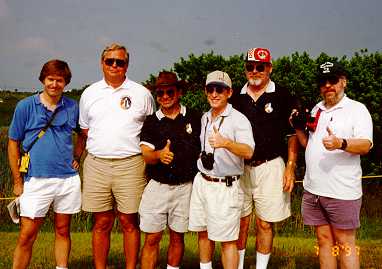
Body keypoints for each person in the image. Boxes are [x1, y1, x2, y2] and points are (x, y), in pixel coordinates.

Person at [76, 43, 155, 269]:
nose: (114, 65)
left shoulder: (142, 93)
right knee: (101, 222)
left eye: (119, 62)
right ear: (102, 63)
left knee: (129, 220)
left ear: (127, 65)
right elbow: (85, 129)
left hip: (131, 164)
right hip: (97, 164)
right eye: (109, 61)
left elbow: (150, 129)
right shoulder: (89, 93)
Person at [290, 61, 373, 269]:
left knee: (345, 244)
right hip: (314, 190)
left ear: (343, 82)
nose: (328, 85)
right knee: (324, 241)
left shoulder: (357, 109)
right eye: (322, 81)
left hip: (342, 191)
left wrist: (341, 143)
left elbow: (365, 145)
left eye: (333, 80)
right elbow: (309, 145)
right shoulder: (317, 109)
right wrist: (297, 128)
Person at [8, 59, 81, 269]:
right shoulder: (25, 106)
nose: (54, 84)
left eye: (60, 80)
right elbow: (13, 143)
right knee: (27, 235)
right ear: (43, 79)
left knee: (63, 230)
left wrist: (77, 156)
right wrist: (17, 181)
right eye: (50, 79)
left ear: (65, 82)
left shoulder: (72, 107)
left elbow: (83, 135)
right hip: (35, 179)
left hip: (67, 179)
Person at [231, 48, 299, 269]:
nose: (255, 71)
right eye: (250, 66)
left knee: (264, 223)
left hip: (270, 165)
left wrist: (290, 166)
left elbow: (292, 136)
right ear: (245, 69)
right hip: (239, 168)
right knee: (240, 223)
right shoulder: (235, 97)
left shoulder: (283, 95)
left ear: (269, 68)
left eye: (260, 67)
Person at [188, 70, 255, 269]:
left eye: (220, 89)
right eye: (210, 89)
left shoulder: (238, 119)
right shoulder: (205, 117)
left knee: (228, 241)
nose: (214, 94)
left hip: (225, 186)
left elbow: (248, 151)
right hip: (203, 181)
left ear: (229, 92)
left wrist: (226, 143)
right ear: (205, 92)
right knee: (203, 233)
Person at [138, 71, 201, 269]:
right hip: (158, 187)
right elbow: (146, 153)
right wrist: (159, 155)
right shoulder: (151, 121)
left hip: (185, 187)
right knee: (152, 237)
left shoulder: (194, 116)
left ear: (179, 92)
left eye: (169, 92)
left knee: (177, 237)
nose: (165, 97)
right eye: (160, 93)